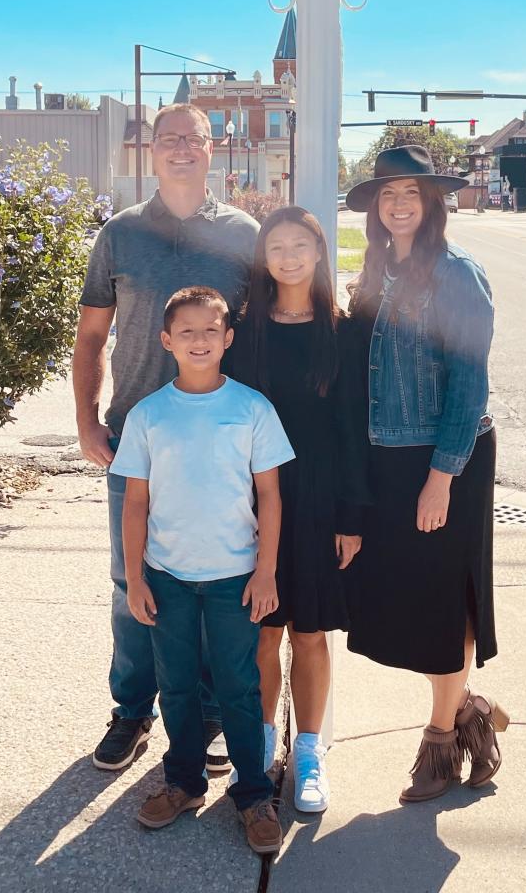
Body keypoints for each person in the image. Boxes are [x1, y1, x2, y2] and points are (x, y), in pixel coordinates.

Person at [74, 103, 259, 772]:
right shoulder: (119, 236)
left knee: (212, 582)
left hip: (221, 446)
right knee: (133, 585)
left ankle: (207, 715)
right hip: (135, 442)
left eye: (195, 139)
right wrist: (86, 420)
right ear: (149, 151)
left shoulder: (244, 235)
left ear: (215, 150)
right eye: (169, 138)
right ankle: (132, 711)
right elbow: (92, 337)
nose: (182, 148)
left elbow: (269, 332)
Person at [345, 144, 508, 805]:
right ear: (376, 210)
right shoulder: (377, 272)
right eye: (389, 195)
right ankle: (467, 706)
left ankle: (440, 744)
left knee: (443, 603)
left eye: (412, 194)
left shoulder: (456, 275)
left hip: (446, 457)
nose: (400, 204)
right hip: (387, 455)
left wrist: (442, 477)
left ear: (434, 203)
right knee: (400, 603)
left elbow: (470, 385)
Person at [113, 286, 292, 855]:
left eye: (209, 331)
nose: (198, 340)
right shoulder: (149, 414)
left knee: (240, 686)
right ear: (166, 341)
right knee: (177, 684)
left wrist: (266, 573)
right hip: (166, 576)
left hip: (234, 577)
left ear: (227, 339)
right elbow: (135, 502)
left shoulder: (251, 408)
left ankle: (253, 793)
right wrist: (136, 578)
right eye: (185, 332)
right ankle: (184, 781)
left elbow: (271, 497)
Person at [227, 206, 370, 814]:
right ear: (264, 257)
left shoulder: (341, 332)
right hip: (250, 499)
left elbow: (353, 431)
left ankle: (308, 753)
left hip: (317, 498)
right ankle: (259, 749)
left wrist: (352, 516)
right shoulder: (241, 329)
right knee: (261, 634)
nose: (288, 256)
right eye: (276, 245)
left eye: (300, 245)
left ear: (318, 253)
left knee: (309, 634)